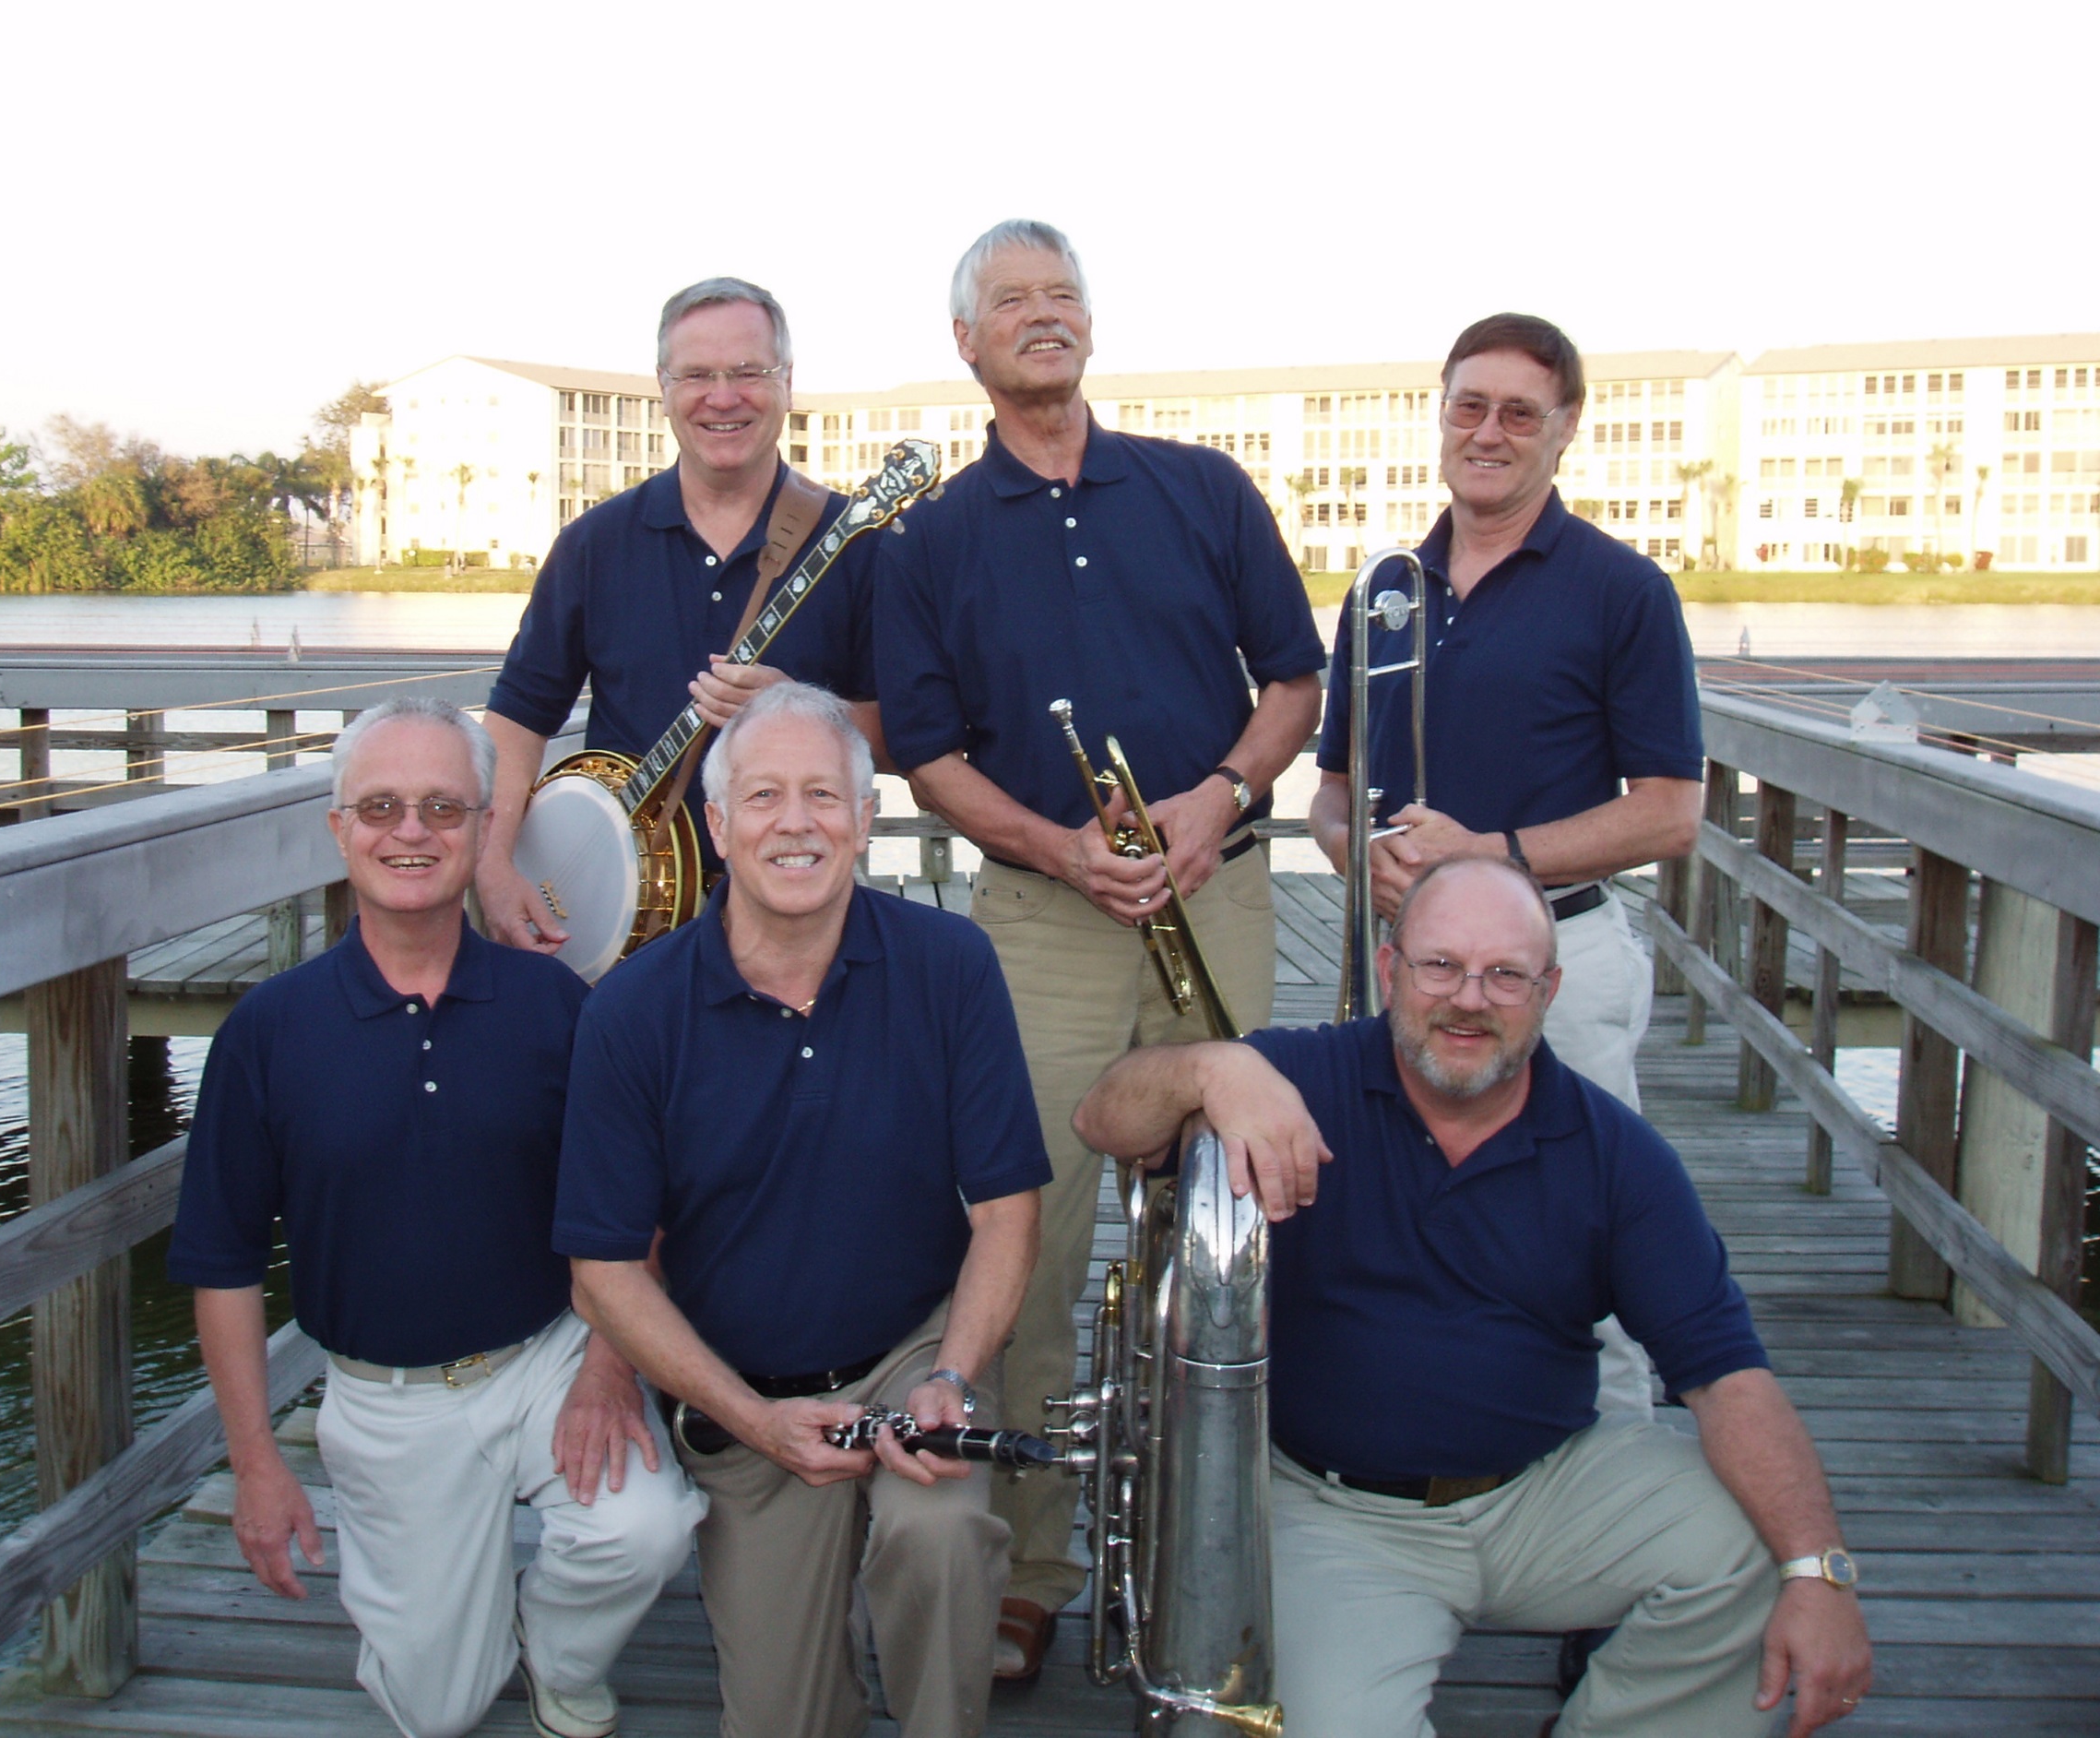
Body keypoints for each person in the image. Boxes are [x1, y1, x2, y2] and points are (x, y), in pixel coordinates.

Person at [1073, 857, 1873, 1738]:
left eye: (1505, 975)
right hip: (1341, 1515)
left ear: (1549, 989)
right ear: (1389, 970)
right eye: (1440, 966)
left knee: (1768, 1549)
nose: (1469, 999)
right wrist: (1211, 1072)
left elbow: (1727, 1379)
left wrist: (1820, 1572)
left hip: (1546, 1488)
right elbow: (1102, 1119)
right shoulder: (1299, 1078)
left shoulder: (1618, 1155)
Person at [872, 217, 1326, 1676]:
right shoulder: (929, 540)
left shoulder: (1202, 489)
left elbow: (1295, 685)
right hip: (1046, 916)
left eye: (1061, 296)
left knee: (1241, 1216)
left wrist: (1218, 798)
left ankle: (1256, 1526)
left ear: (1089, 326)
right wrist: (1059, 847)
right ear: (969, 345)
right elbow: (929, 758)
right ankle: (1034, 1560)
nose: (1042, 317)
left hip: (1222, 885)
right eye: (1011, 302)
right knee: (1035, 1227)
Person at [166, 697, 703, 1738]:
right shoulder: (267, 1034)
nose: (410, 831)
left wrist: (606, 1369)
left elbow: (636, 1202)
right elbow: (223, 1261)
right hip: (387, 1399)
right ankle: (456, 1631)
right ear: (339, 830)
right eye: (381, 806)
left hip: (549, 1353)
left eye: (443, 810)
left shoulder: (558, 1007)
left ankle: (559, 1653)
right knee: (436, 1708)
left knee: (641, 1531)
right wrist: (259, 1466)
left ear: (483, 827)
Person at [555, 680, 1050, 1738]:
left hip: (911, 1352)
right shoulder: (633, 1011)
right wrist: (752, 1421)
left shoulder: (951, 966)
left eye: (824, 795)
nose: (797, 823)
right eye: (765, 796)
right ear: (718, 826)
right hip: (744, 1391)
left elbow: (1007, 1209)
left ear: (866, 821)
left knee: (942, 1539)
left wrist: (954, 1376)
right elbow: (602, 1271)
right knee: (784, 1719)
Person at [1311, 312, 1704, 1428]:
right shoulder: (1381, 588)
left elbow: (1671, 814)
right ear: (1440, 417)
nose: (1488, 432)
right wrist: (1365, 865)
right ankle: (1422, 1469)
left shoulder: (1622, 592)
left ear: (1563, 430)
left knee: (1598, 1239)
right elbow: (1333, 796)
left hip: (1556, 961)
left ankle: (1615, 1523)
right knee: (1398, 1224)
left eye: (1518, 413)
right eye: (1468, 407)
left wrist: (1484, 860)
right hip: (1410, 972)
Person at [477, 276, 884, 954]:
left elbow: (906, 742)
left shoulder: (856, 543)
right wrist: (491, 866)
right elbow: (518, 721)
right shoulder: (594, 545)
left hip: (804, 922)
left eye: (748, 372)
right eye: (696, 375)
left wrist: (803, 708)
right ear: (663, 386)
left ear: (787, 382)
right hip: (615, 928)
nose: (722, 398)